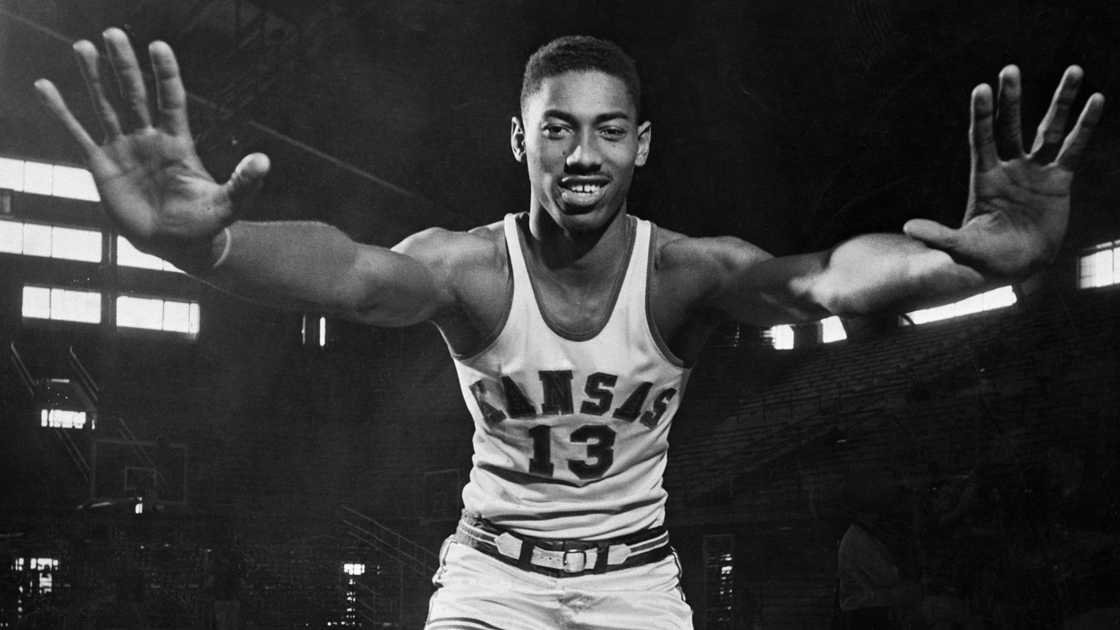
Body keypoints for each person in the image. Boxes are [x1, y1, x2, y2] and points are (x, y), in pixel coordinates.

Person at [34, 29, 1103, 629]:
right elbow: (355, 277)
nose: (580, 153)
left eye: (605, 130)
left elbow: (821, 284)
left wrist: (945, 259)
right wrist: (206, 249)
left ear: (640, 145)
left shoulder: (685, 271)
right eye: (557, 129)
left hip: (636, 583)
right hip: (493, 581)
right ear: (521, 141)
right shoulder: (469, 269)